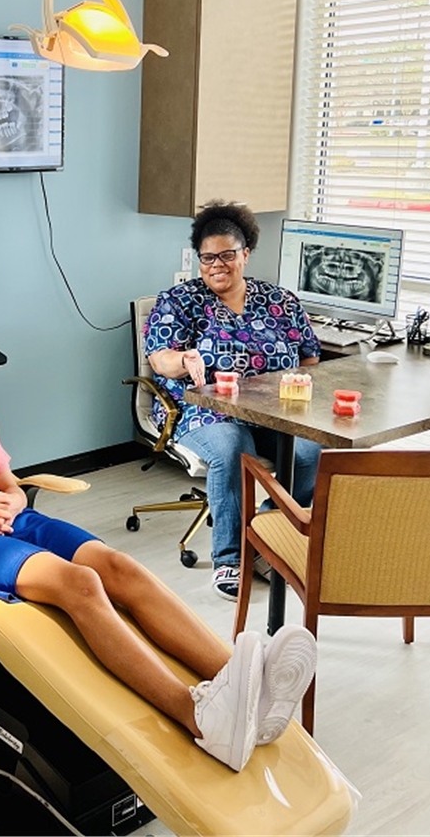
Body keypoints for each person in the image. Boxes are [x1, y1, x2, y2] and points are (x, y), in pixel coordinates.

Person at [0, 296, 318, 774]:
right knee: (81, 585)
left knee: (118, 567)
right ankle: (196, 716)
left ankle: (242, 683)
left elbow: (6, 481)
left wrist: (12, 499)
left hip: (6, 518)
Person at [144, 201, 322, 600]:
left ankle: (264, 536)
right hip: (203, 411)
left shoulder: (281, 301)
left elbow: (310, 357)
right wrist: (183, 359)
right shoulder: (179, 301)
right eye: (207, 258)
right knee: (232, 448)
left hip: (273, 413)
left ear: (245, 254)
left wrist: (300, 383)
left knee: (312, 453)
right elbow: (160, 357)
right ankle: (230, 559)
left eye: (226, 255)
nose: (216, 265)